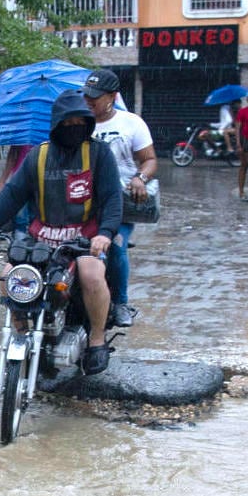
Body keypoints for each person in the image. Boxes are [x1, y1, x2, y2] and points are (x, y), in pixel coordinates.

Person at [0, 89, 123, 375]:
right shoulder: (38, 156)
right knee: (8, 278)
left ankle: (97, 340)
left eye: (80, 123)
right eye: (68, 123)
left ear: (88, 124)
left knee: (91, 276)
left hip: (83, 239)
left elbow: (113, 198)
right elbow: (12, 194)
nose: (74, 129)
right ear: (56, 125)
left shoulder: (99, 154)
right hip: (41, 237)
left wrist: (105, 233)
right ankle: (22, 333)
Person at [82, 68, 156, 328]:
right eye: (86, 95)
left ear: (112, 96)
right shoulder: (77, 122)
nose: (88, 101)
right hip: (82, 201)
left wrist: (140, 179)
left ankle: (121, 302)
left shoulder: (131, 123)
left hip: (120, 202)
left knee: (115, 246)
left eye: (95, 96)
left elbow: (149, 160)